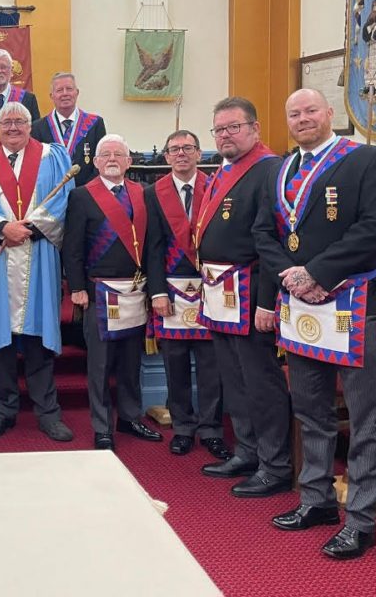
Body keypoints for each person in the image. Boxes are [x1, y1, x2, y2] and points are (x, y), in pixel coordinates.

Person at [255, 88, 376, 560]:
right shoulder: (279, 170)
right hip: (300, 306)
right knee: (309, 409)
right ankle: (316, 500)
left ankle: (361, 521)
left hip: (353, 302)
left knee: (365, 417)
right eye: (293, 113)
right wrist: (292, 277)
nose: (302, 119)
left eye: (311, 110)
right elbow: (263, 233)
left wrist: (317, 273)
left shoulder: (369, 160)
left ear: (330, 112)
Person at [194, 97, 292, 497]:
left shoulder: (268, 169)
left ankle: (276, 465)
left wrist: (267, 302)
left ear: (255, 129)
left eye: (233, 127)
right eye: (219, 129)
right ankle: (247, 451)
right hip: (220, 290)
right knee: (234, 379)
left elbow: (272, 243)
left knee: (260, 382)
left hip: (251, 291)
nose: (225, 135)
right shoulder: (225, 169)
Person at [0, 101, 74, 442]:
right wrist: (2, 230)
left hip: (38, 253)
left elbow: (62, 200)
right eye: (7, 122)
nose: (13, 127)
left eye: (20, 121)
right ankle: (4, 411)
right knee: (1, 340)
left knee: (38, 339)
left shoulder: (53, 157)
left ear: (30, 126)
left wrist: (28, 230)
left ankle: (48, 413)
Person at [63, 134, 161, 451]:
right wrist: (77, 287)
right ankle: (102, 425)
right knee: (101, 364)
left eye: (119, 154)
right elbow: (72, 247)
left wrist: (153, 288)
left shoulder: (142, 193)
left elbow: (151, 245)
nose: (112, 159)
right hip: (99, 291)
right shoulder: (81, 196)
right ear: (96, 161)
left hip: (135, 290)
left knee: (131, 362)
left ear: (129, 161)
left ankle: (130, 417)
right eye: (105, 154)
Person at [145, 130, 228, 460]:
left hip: (211, 287)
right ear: (166, 156)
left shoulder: (217, 186)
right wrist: (156, 292)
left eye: (187, 148)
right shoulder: (154, 193)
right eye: (175, 149)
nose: (181, 153)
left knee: (211, 367)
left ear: (198, 153)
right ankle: (182, 428)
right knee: (175, 365)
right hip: (171, 290)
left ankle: (211, 430)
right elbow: (152, 247)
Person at [30, 72, 106, 185]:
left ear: (77, 92)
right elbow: (36, 166)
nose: (65, 93)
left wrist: (86, 191)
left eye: (69, 89)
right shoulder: (38, 127)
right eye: (59, 90)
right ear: (52, 96)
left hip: (87, 191)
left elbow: (101, 162)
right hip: (52, 191)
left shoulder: (95, 124)